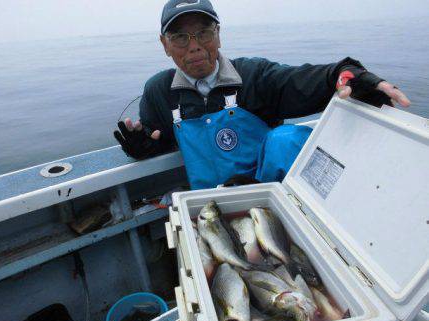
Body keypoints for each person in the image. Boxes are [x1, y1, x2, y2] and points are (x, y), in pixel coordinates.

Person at [114, 0, 410, 190]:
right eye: (179, 37)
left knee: (285, 139)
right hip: (207, 205)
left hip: (271, 193)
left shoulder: (255, 75)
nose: (194, 46)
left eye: (204, 32)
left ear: (218, 33)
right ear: (164, 44)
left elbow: (313, 79)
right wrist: (141, 148)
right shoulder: (158, 92)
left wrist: (349, 75)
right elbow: (158, 140)